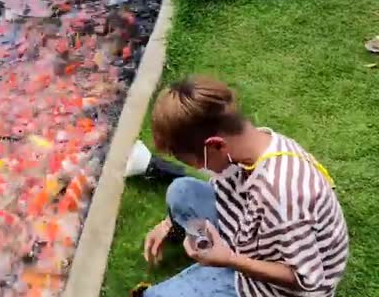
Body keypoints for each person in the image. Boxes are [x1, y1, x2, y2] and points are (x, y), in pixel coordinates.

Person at [137, 75, 348, 297]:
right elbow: (225, 190)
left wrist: (229, 259)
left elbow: (306, 281)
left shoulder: (282, 194)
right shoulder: (250, 144)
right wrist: (168, 223)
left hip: (283, 286)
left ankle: (223, 271)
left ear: (215, 145)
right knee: (182, 191)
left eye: (195, 161)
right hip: (250, 235)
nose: (199, 167)